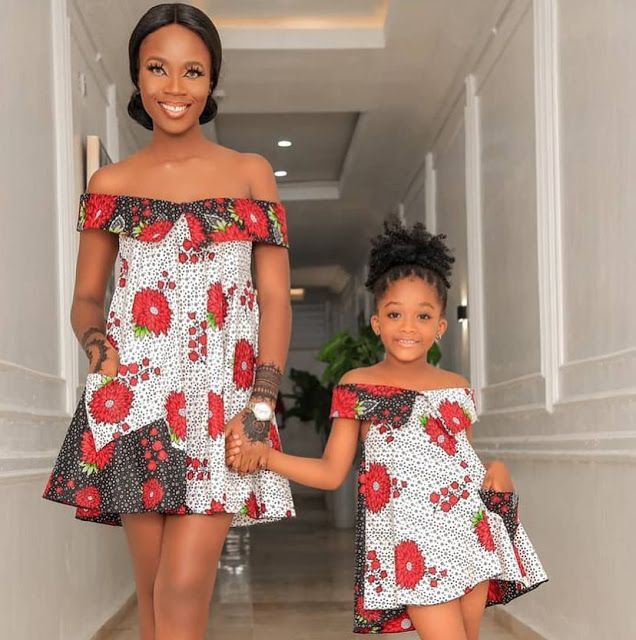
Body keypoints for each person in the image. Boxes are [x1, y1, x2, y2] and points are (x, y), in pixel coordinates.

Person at [42, 4, 294, 639]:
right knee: (154, 593)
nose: (175, 87)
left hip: (223, 405)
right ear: (137, 76)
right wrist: (102, 356)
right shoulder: (110, 182)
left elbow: (275, 298)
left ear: (212, 82)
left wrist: (261, 402)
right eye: (158, 68)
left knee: (182, 587)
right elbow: (86, 298)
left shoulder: (250, 173)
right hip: (134, 404)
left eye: (193, 71)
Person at [226, 220, 547, 639]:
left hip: (471, 533)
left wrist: (497, 469)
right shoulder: (357, 386)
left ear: (440, 327)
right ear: (377, 322)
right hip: (413, 545)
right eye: (395, 314)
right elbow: (331, 473)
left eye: (423, 316)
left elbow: (460, 463)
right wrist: (267, 457)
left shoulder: (457, 386)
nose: (408, 327)